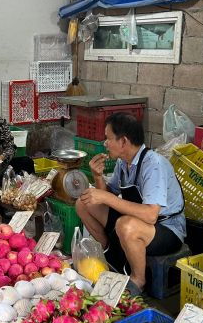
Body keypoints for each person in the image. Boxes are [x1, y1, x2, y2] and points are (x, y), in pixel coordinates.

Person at [76, 112, 185, 296]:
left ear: (123, 142)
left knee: (126, 226)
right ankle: (108, 255)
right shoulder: (123, 163)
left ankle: (138, 280)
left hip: (166, 228)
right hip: (136, 220)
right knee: (83, 203)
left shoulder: (154, 164)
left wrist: (107, 198)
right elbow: (108, 195)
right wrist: (97, 176)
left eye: (108, 138)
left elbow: (151, 215)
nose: (105, 144)